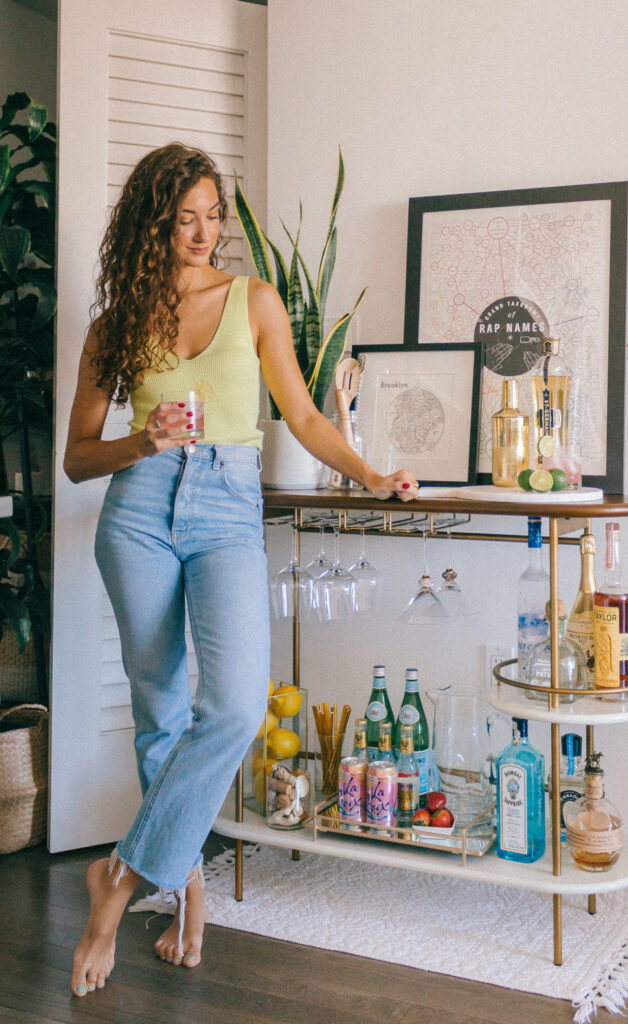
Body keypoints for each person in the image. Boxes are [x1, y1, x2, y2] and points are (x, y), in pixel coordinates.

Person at [64, 142, 418, 998]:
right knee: (160, 714)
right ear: (153, 222)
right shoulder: (117, 326)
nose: (203, 231)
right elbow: (77, 458)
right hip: (139, 511)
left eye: (212, 214)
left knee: (231, 705)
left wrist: (370, 475)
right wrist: (140, 440)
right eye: (184, 216)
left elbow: (298, 411)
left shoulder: (253, 302)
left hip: (226, 508)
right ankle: (188, 897)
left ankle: (116, 880)